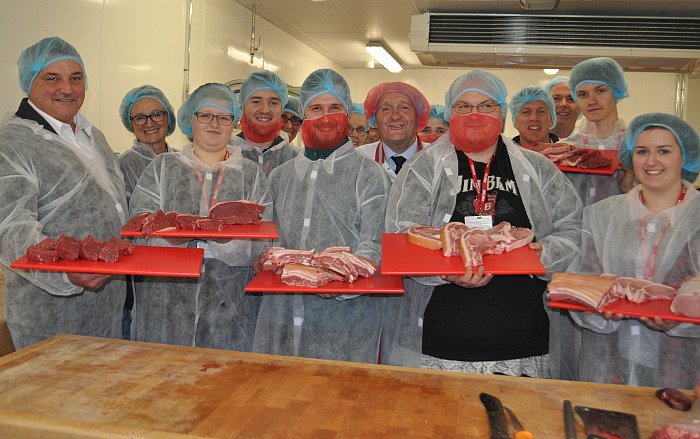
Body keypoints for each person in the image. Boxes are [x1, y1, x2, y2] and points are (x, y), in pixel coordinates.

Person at [382, 69, 582, 377]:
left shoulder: (537, 167)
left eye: (486, 106)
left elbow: (573, 227)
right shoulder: (423, 168)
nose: (475, 114)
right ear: (450, 112)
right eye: (464, 107)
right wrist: (447, 273)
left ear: (502, 111)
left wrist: (541, 253)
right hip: (439, 339)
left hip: (522, 341)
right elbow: (400, 233)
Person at [252, 69, 390, 363]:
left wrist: (338, 282)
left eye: (334, 108)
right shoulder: (280, 176)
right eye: (316, 108)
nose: (326, 117)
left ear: (348, 111)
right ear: (303, 114)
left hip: (344, 327)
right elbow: (266, 242)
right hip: (281, 322)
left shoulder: (370, 175)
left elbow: (375, 246)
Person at [0, 37, 128, 350]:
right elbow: (10, 227)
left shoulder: (91, 135)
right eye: (52, 78)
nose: (67, 89)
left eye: (76, 78)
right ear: (29, 83)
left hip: (108, 305)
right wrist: (64, 275)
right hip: (50, 314)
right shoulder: (12, 143)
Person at [129, 83, 271, 350]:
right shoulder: (161, 168)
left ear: (233, 123)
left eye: (223, 117)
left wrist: (223, 242)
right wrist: (177, 238)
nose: (214, 123)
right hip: (165, 307)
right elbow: (140, 230)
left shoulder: (251, 175)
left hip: (230, 310)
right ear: (189, 120)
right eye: (205, 115)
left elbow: (261, 247)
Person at [563, 113, 700, 388]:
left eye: (663, 151)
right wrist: (598, 310)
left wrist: (683, 322)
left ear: (684, 156)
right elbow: (581, 280)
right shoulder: (602, 214)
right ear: (629, 157)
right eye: (641, 151)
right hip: (608, 363)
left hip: (682, 367)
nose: (651, 161)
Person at [117, 85, 177, 340]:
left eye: (156, 114)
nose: (149, 123)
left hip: (180, 261)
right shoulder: (123, 164)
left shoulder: (181, 161)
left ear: (169, 118)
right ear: (131, 124)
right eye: (140, 117)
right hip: (142, 266)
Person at [564, 57, 635, 206]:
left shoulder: (637, 147)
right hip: (576, 229)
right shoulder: (566, 150)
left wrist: (629, 188)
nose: (591, 101)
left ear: (616, 92)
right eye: (583, 94)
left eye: (600, 91)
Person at [357, 82, 430, 182]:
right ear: (375, 120)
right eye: (386, 109)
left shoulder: (438, 159)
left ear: (418, 118)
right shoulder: (359, 160)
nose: (395, 116)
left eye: (404, 108)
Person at [230, 71, 298, 176]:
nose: (265, 110)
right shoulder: (227, 153)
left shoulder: (295, 158)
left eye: (273, 103)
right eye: (256, 101)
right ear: (242, 106)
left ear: (282, 109)